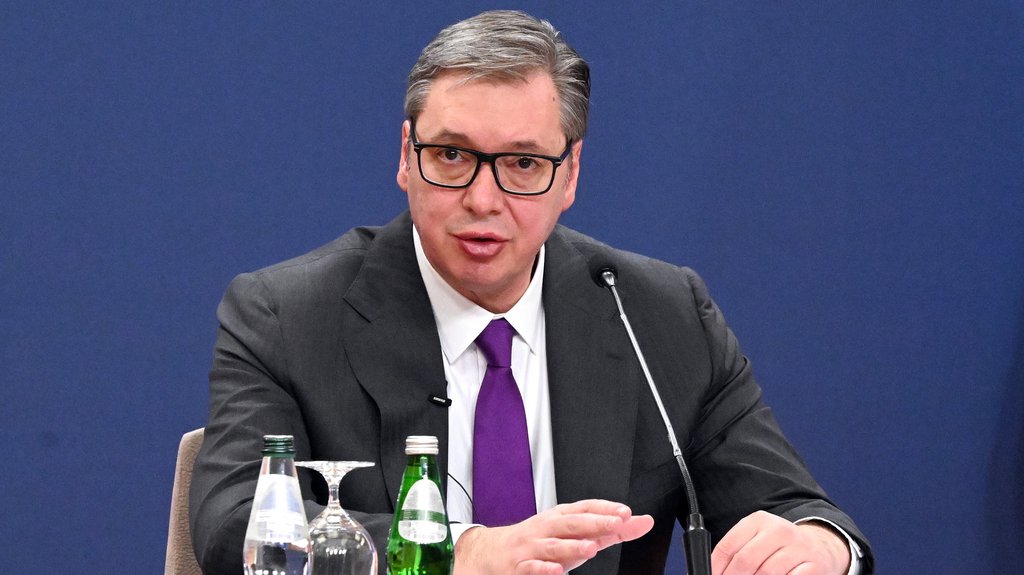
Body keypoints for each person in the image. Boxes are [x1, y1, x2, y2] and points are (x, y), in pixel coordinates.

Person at [190, 10, 873, 575]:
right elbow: (234, 526)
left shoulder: (659, 316)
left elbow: (792, 507)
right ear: (405, 155)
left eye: (522, 163)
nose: (482, 199)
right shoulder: (287, 316)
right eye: (452, 155)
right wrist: (456, 553)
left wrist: (820, 547)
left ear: (570, 174)